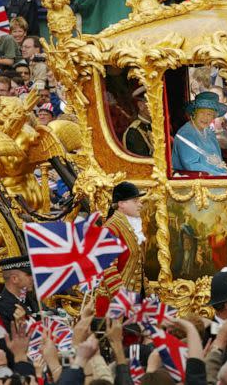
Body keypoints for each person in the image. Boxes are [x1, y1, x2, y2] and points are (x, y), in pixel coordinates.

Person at [99, 181, 146, 313]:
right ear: (121, 204)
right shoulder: (110, 229)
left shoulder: (131, 224)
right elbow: (108, 269)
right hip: (115, 304)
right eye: (136, 201)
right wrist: (123, 299)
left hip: (134, 297)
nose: (140, 204)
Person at [172, 91, 227, 176]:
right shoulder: (186, 134)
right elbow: (191, 165)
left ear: (214, 117)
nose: (205, 118)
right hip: (197, 183)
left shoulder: (209, 132)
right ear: (194, 113)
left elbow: (218, 160)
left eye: (209, 114)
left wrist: (225, 172)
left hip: (216, 178)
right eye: (202, 112)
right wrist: (220, 175)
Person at [0, 255, 38, 331]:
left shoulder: (30, 299)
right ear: (14, 279)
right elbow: (3, 341)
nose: (33, 278)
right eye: (29, 274)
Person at [123, 86, 153, 156]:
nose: (157, 106)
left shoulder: (157, 126)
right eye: (152, 102)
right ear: (141, 106)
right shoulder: (134, 132)